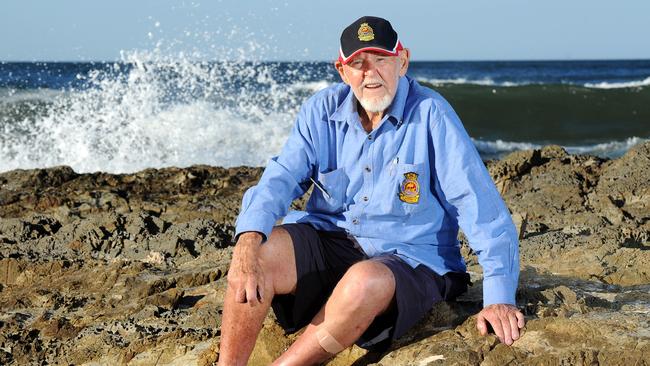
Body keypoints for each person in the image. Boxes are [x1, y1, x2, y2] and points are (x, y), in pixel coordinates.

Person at [217, 16, 525, 366]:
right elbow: (281, 177)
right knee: (257, 251)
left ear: (402, 61)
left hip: (411, 259)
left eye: (381, 60)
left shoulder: (432, 114)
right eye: (358, 63)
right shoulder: (320, 111)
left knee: (363, 281)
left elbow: (478, 204)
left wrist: (499, 296)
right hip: (334, 243)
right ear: (342, 70)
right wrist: (247, 241)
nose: (371, 72)